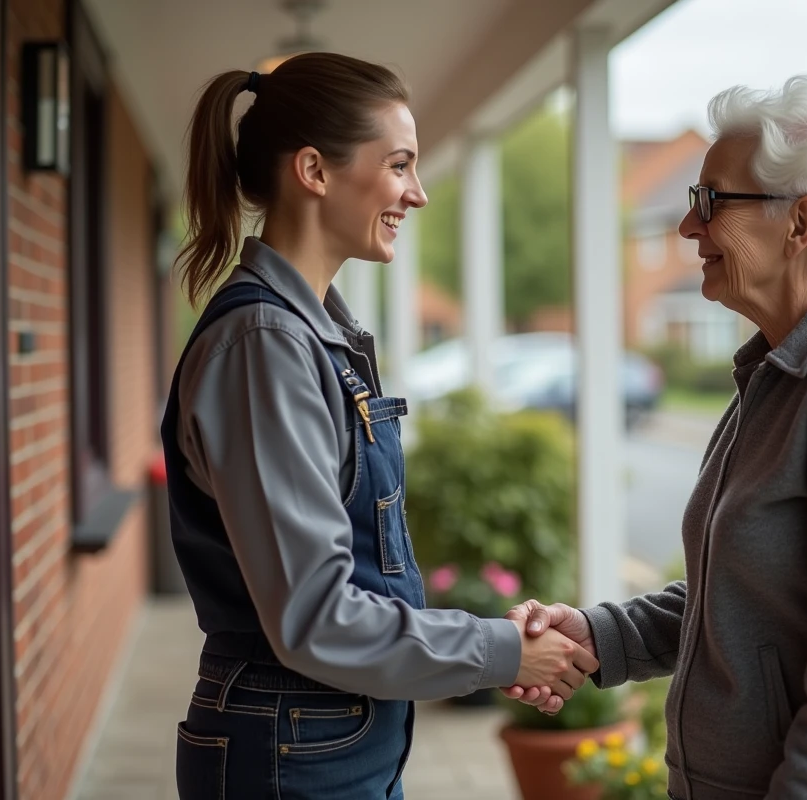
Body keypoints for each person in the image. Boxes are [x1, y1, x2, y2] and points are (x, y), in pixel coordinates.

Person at [161, 53, 597, 800]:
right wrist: (500, 650)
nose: (418, 194)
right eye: (399, 165)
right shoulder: (266, 347)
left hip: (323, 736)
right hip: (291, 750)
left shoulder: (313, 333)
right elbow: (318, 614)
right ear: (314, 171)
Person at [504, 75, 807, 799]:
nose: (688, 228)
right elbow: (743, 599)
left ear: (802, 223)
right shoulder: (780, 367)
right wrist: (596, 635)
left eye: (711, 202)